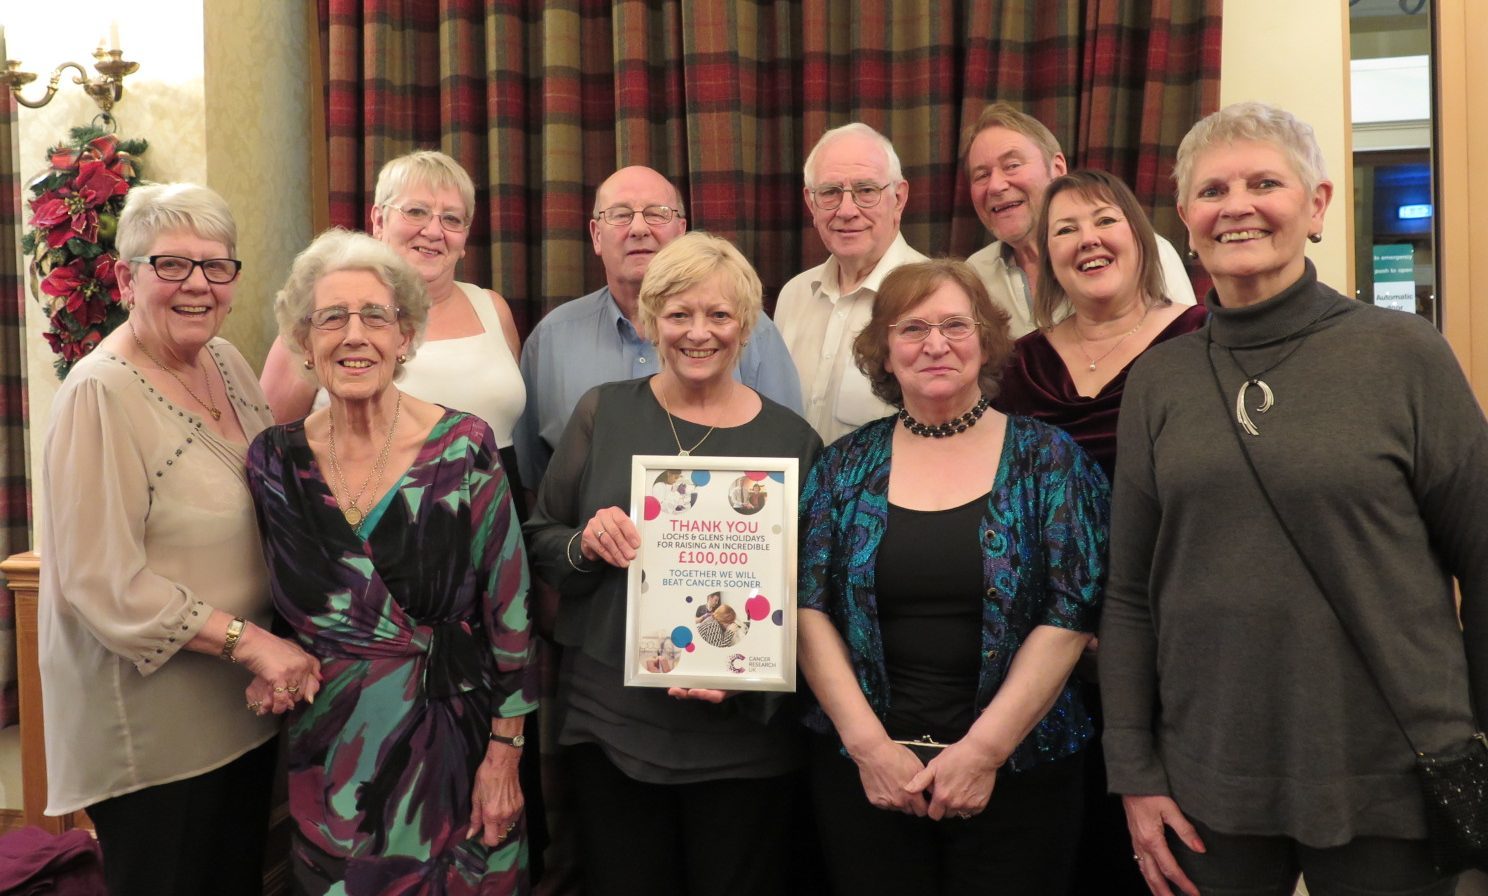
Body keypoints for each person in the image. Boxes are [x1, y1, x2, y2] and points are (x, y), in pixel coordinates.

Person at [1101, 101, 1488, 896]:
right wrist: (1134, 771)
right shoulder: (1159, 379)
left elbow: (1483, 563)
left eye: (1264, 182)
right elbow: (1130, 594)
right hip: (1211, 776)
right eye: (1212, 191)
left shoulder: (1404, 354)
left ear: (1316, 205)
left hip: (1389, 766)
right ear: (1187, 220)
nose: (1236, 205)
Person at [37, 183, 320, 896]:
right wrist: (253, 643)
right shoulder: (100, 392)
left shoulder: (225, 361)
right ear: (128, 277)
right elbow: (103, 581)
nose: (197, 284)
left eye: (216, 266)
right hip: (154, 728)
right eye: (171, 265)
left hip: (243, 706)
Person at [798, 259, 1110, 895]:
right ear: (884, 351)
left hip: (1022, 773)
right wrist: (869, 750)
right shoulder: (843, 465)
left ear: (987, 339)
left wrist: (983, 753)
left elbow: (1071, 614)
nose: (934, 344)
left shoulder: (1050, 460)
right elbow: (808, 609)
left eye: (953, 325)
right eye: (912, 328)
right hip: (868, 778)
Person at [524, 232, 822, 896]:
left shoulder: (792, 440)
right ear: (652, 319)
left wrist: (752, 674)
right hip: (614, 724)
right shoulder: (603, 412)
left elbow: (814, 592)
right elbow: (543, 541)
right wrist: (586, 543)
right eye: (680, 314)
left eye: (718, 315)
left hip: (743, 736)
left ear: (746, 325)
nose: (699, 332)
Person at [247, 229, 537, 893]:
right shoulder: (272, 461)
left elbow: (512, 614)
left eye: (375, 316)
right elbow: (259, 592)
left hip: (457, 744)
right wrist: (258, 657)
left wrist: (505, 752)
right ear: (304, 342)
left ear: (405, 337)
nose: (355, 335)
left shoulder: (464, 446)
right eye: (332, 318)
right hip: (332, 756)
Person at [991, 169, 1205, 895]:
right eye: (1065, 230)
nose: (1087, 240)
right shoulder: (1021, 363)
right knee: (1064, 856)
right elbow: (1004, 505)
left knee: (1170, 859)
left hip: (1173, 638)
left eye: (1104, 221)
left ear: (1139, 236)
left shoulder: (1200, 342)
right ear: (1045, 256)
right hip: (1049, 652)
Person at [514, 165, 802, 492]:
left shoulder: (748, 331)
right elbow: (536, 481)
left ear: (681, 231)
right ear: (596, 235)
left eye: (657, 214)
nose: (638, 228)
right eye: (620, 215)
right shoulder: (551, 340)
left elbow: (789, 455)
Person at [259, 150, 528, 492]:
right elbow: (267, 441)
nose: (434, 231)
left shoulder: (493, 308)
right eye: (416, 212)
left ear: (465, 239)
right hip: (370, 512)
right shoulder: (322, 316)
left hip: (496, 512)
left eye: (452, 219)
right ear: (379, 221)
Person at [962, 102, 1195, 338]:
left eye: (1012, 166)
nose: (995, 186)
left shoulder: (1139, 253)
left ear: (1057, 168)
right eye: (981, 175)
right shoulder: (976, 274)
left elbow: (1185, 346)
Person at [776, 123, 929, 444]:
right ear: (811, 203)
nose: (847, 210)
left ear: (899, 198)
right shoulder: (794, 295)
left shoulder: (933, 296)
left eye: (866, 191)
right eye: (830, 192)